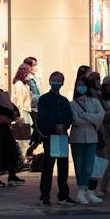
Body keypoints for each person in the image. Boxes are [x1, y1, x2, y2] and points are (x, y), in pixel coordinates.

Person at [34, 70, 75, 206]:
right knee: (48, 167)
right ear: (50, 81)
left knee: (63, 167)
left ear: (62, 83)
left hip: (63, 136)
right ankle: (44, 195)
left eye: (59, 80)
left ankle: (63, 195)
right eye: (54, 79)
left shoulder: (64, 101)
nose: (56, 82)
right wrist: (54, 126)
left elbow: (69, 116)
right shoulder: (44, 99)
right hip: (50, 137)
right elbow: (43, 117)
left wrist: (64, 126)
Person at [70, 67, 105, 204]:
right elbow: (75, 121)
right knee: (79, 165)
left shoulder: (95, 102)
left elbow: (100, 117)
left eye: (84, 85)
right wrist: (91, 118)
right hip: (77, 138)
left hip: (92, 137)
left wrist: (85, 115)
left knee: (89, 165)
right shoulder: (72, 104)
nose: (81, 87)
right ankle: (81, 190)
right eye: (79, 85)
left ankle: (87, 191)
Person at [13, 58, 42, 164]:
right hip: (23, 113)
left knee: (26, 138)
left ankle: (23, 158)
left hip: (26, 112)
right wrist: (19, 115)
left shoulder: (23, 84)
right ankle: (21, 159)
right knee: (23, 139)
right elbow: (19, 101)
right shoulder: (19, 85)